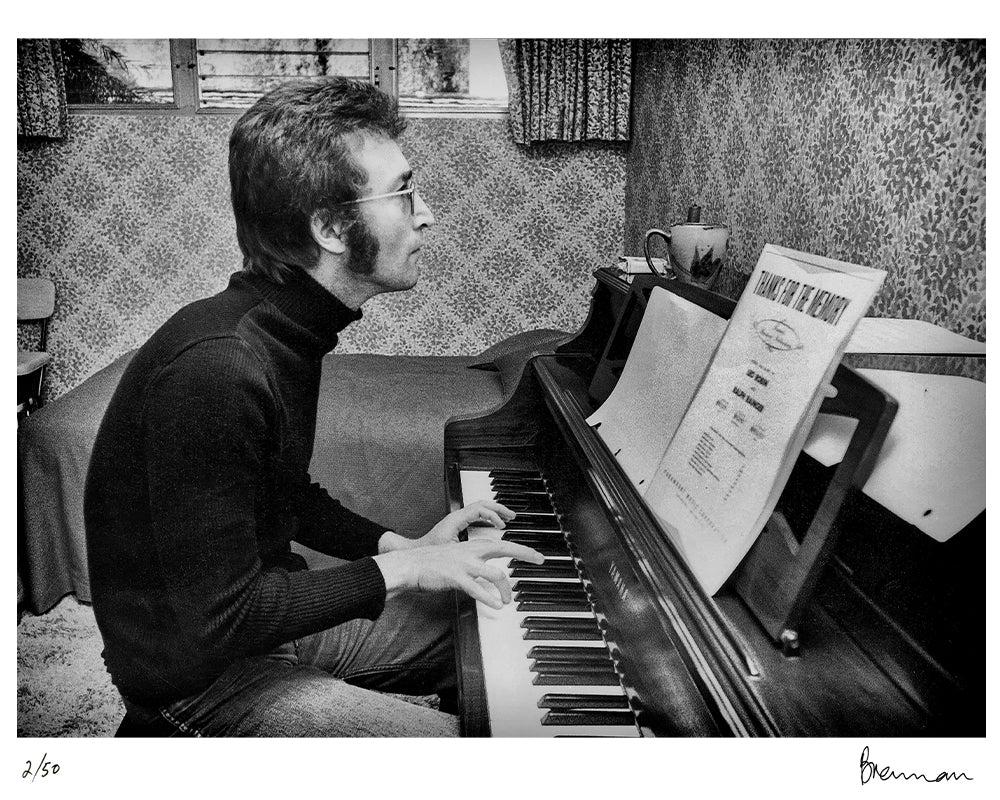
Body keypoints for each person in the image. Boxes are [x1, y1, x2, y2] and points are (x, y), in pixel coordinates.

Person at [83, 77, 543, 737]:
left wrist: (401, 545)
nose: (426, 214)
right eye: (404, 192)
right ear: (330, 227)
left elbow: (284, 495)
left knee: (496, 632)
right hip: (196, 682)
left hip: (261, 634)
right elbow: (224, 616)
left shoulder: (282, 332)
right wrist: (403, 569)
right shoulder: (220, 366)